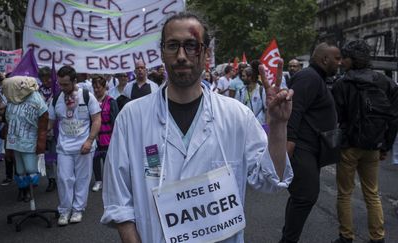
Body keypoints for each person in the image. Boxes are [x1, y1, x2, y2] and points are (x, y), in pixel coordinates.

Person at [101, 11, 294, 243]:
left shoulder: (236, 115)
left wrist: (279, 126)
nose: (182, 55)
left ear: (205, 53)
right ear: (162, 52)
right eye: (173, 45)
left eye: (191, 45)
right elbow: (119, 201)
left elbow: (271, 180)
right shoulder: (131, 118)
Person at [331, 40, 398, 243]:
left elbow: (336, 117)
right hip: (373, 146)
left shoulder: (342, 84)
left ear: (352, 60)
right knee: (372, 193)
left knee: (344, 193)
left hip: (349, 146)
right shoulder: (386, 82)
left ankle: (346, 236)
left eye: (345, 58)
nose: (341, 62)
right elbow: (393, 118)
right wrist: (385, 144)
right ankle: (377, 237)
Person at [279, 42, 342, 243]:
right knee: (305, 195)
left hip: (311, 148)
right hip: (301, 147)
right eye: (337, 58)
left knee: (301, 195)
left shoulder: (317, 78)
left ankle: (288, 239)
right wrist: (289, 143)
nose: (340, 63)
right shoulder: (309, 77)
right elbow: (294, 110)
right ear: (324, 59)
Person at [48, 66, 101, 226]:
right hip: (64, 147)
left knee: (82, 179)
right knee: (64, 179)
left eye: (65, 84)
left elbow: (97, 120)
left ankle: (78, 210)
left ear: (74, 81)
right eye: (60, 84)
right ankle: (64, 211)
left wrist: (90, 141)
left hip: (84, 146)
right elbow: (50, 123)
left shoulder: (87, 96)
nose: (62, 88)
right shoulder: (56, 99)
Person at [3, 75, 48, 202]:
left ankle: (30, 192)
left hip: (29, 141)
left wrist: (41, 144)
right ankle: (22, 190)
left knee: (30, 169)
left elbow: (43, 121)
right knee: (20, 170)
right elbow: (7, 120)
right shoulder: (12, 100)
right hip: (14, 141)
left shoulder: (36, 99)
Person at [91, 75, 119, 192]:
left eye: (98, 87)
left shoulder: (111, 101)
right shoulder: (91, 101)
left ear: (104, 87)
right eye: (94, 87)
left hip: (108, 138)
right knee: (95, 161)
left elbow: (116, 121)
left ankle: (110, 182)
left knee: (109, 162)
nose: (96, 90)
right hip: (95, 139)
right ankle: (98, 181)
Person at [38, 66, 57, 192]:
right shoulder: (38, 91)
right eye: (43, 80)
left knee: (59, 155)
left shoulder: (58, 90)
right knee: (47, 157)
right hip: (43, 128)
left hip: (57, 129)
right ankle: (51, 180)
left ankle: (64, 178)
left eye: (48, 79)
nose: (46, 82)